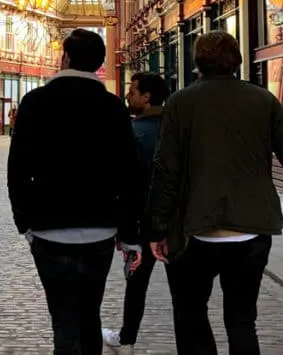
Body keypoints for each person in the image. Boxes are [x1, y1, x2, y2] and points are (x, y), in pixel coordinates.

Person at [148, 31, 283, 355]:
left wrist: (156, 228)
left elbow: (166, 170)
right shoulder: (262, 100)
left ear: (198, 62)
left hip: (196, 232)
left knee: (191, 314)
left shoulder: (180, 104)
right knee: (242, 321)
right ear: (236, 61)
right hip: (251, 231)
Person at [8, 28, 142, 355]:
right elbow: (130, 172)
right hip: (100, 230)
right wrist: (127, 232)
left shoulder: (35, 102)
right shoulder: (113, 107)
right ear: (99, 63)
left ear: (65, 57)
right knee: (89, 315)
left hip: (49, 230)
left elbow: (17, 168)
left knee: (63, 319)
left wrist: (24, 222)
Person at [102, 72, 170, 355]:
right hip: (175, 227)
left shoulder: (131, 135)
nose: (128, 95)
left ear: (147, 97)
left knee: (136, 286)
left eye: (132, 90)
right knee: (186, 295)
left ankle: (127, 339)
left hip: (139, 228)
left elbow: (122, 187)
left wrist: (122, 231)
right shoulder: (175, 133)